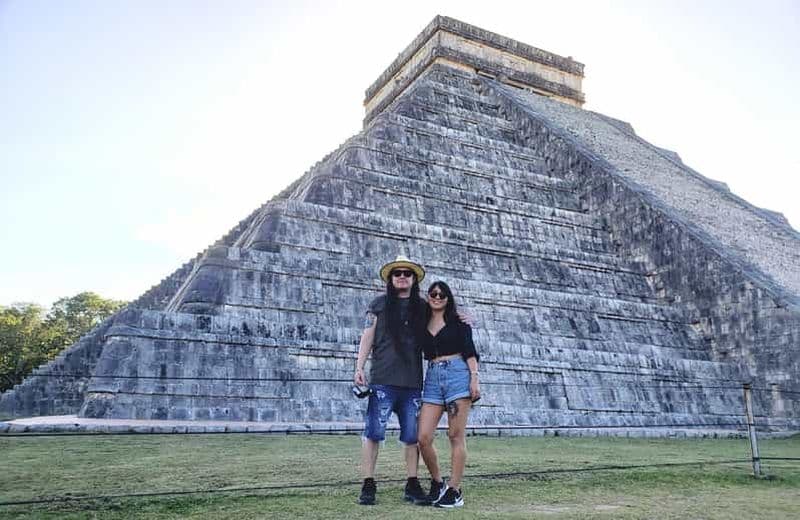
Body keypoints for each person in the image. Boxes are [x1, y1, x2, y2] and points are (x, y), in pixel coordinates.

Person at [354, 255, 429, 505]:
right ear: (390, 278)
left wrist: (464, 317)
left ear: (413, 278)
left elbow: (444, 316)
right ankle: (368, 483)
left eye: (407, 273)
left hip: (412, 382)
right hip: (383, 379)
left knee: (412, 436)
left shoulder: (422, 306)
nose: (402, 276)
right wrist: (359, 366)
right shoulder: (378, 304)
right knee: (373, 433)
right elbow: (367, 335)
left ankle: (412, 482)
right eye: (397, 273)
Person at [416, 281, 481, 508]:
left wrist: (474, 377)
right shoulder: (421, 320)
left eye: (442, 294)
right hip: (433, 377)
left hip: (457, 375)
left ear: (448, 298)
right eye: (433, 293)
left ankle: (455, 490)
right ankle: (438, 483)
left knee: (455, 435)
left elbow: (470, 351)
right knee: (423, 437)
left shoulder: (458, 322)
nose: (437, 297)